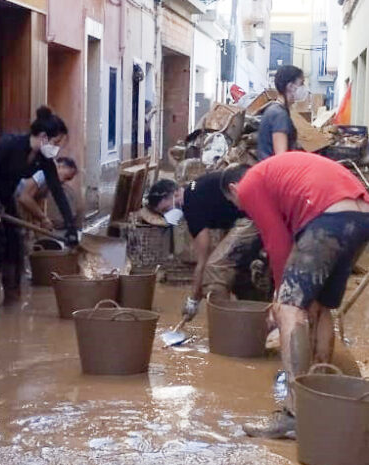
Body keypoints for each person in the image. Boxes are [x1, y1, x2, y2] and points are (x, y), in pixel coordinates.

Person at [221, 152, 369, 438]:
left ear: (233, 190)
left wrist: (279, 299)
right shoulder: (277, 175)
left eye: (236, 205)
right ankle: (321, 397)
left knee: (290, 308)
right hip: (361, 213)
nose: (242, 209)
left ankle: (294, 413)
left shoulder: (250, 184)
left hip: (327, 217)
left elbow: (278, 244)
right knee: (320, 307)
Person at [0, 106, 78, 307]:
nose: (57, 148)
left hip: (4, 197)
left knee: (15, 245)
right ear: (43, 136)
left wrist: (71, 227)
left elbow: (58, 192)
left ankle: (12, 301)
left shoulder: (44, 159)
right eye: (56, 142)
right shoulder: (9, 144)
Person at [146, 175, 272, 324]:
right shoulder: (195, 187)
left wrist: (193, 300)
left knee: (215, 269)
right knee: (239, 273)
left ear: (175, 194)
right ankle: (257, 322)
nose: (169, 215)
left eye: (167, 209)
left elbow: (204, 260)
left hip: (255, 214)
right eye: (164, 214)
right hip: (262, 207)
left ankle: (226, 331)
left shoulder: (191, 205)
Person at [257, 65, 307, 160]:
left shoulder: (275, 110)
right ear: (290, 86)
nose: (304, 88)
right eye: (301, 83)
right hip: (274, 172)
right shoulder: (279, 114)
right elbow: (281, 157)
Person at [16, 157, 78, 232]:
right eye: (67, 177)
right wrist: (43, 218)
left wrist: (43, 221)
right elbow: (24, 198)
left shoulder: (49, 184)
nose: (64, 181)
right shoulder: (43, 172)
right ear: (61, 166)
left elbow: (38, 203)